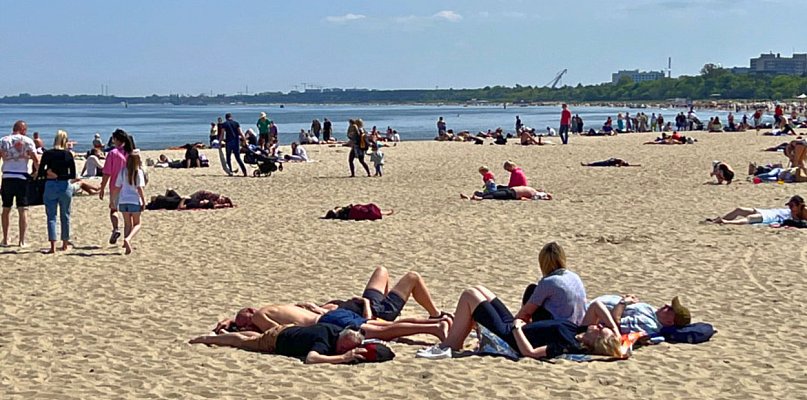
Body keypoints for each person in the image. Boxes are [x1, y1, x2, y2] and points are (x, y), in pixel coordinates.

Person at [415, 286, 622, 360]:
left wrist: (516, 328)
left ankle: (450, 345)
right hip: (515, 325)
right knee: (482, 289)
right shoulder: (582, 329)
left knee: (470, 295)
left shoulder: (567, 344)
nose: (600, 326)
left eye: (602, 331)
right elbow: (596, 306)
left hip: (510, 334)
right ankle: (455, 336)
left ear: (596, 341)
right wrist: (614, 329)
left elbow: (529, 353)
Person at [210, 302, 449, 343]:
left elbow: (276, 332)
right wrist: (230, 320)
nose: (248, 327)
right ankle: (437, 322)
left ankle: (434, 328)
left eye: (245, 324)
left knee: (382, 331)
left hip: (328, 322)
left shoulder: (262, 316)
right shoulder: (273, 306)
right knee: (382, 326)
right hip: (331, 316)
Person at [190, 322, 368, 364]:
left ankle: (222, 334)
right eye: (343, 346)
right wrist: (341, 357)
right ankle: (208, 339)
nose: (343, 349)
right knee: (243, 342)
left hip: (288, 329)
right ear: (341, 338)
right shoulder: (323, 341)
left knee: (256, 338)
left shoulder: (336, 330)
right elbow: (311, 358)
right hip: (276, 340)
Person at [515, 242, 587, 325]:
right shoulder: (574, 276)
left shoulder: (549, 282)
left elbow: (526, 311)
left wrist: (516, 320)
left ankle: (522, 326)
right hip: (578, 324)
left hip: (559, 326)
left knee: (531, 290)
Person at [1, 120, 39, 247]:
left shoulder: (4, 140)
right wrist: (37, 173)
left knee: (6, 209)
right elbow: (35, 160)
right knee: (22, 209)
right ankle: (21, 241)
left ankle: (5, 239)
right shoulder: (27, 141)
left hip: (7, 176)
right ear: (23, 130)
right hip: (21, 177)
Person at [37, 130, 76, 254]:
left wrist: (49, 172)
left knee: (51, 216)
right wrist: (61, 175)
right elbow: (73, 174)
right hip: (64, 185)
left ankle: (53, 246)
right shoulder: (68, 154)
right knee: (65, 215)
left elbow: (40, 172)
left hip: (51, 185)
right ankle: (65, 244)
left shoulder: (48, 153)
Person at [589, 294, 692, 336]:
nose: (666, 305)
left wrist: (623, 303)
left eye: (669, 309)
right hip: (590, 306)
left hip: (589, 313)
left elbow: (616, 323)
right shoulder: (653, 313)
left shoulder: (647, 323)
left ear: (669, 322)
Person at [99, 129, 132, 245]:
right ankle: (126, 240)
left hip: (115, 186)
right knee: (128, 215)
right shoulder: (130, 153)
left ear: (116, 140)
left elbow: (107, 173)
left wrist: (102, 187)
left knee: (114, 210)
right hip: (130, 186)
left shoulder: (112, 153)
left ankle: (116, 228)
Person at [114, 149, 146, 255]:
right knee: (137, 224)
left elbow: (117, 187)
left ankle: (125, 244)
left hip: (123, 201)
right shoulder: (138, 172)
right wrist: (144, 201)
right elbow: (140, 188)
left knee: (127, 224)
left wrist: (114, 200)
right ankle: (128, 239)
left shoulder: (123, 171)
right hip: (134, 201)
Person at [707, 199, 796, 225]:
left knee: (749, 218)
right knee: (739, 209)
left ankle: (727, 222)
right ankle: (717, 221)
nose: (790, 207)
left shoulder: (796, 216)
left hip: (769, 217)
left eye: (792, 206)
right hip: (766, 211)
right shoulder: (790, 211)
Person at [145, 189, 233, 210]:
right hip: (179, 199)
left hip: (179, 201)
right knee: (169, 190)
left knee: (155, 198)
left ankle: (154, 204)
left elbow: (180, 207)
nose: (205, 200)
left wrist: (183, 199)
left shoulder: (196, 204)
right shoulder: (213, 198)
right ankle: (159, 202)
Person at [460, 186, 552, 201]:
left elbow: (527, 199)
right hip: (511, 190)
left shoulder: (537, 195)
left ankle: (473, 198)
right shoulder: (535, 190)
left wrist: (547, 197)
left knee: (494, 196)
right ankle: (478, 195)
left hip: (513, 194)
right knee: (494, 192)